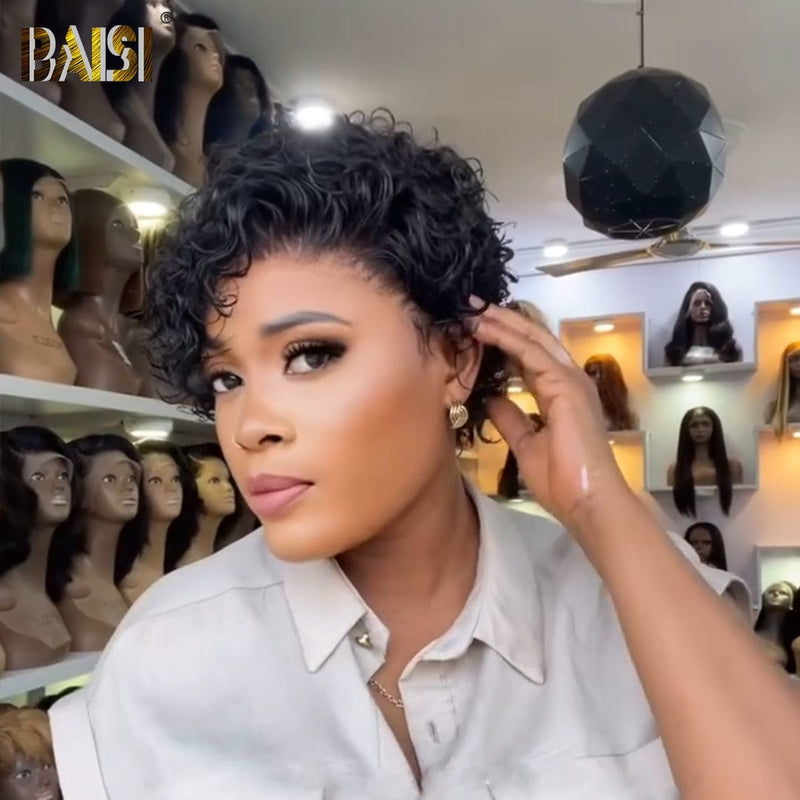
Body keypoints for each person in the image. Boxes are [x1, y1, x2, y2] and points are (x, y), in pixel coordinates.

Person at [49, 112, 800, 799]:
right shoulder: (167, 650)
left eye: (311, 355)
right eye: (227, 379)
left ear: (456, 359)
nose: (249, 427)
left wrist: (601, 508)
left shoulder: (631, 605)